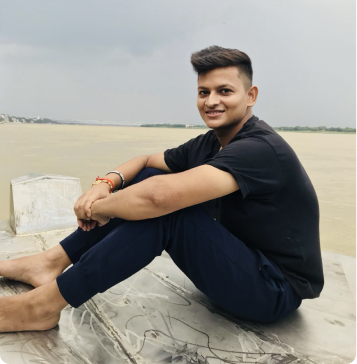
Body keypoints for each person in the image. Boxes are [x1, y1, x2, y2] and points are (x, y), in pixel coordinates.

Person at [0, 45, 324, 332]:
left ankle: (40, 307)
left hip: (273, 289)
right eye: (203, 92)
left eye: (225, 91)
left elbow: (160, 198)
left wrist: (96, 208)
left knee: (168, 213)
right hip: (240, 265)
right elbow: (145, 162)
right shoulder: (211, 143)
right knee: (151, 176)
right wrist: (105, 184)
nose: (211, 101)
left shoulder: (260, 149)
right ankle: (51, 261)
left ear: (250, 96)